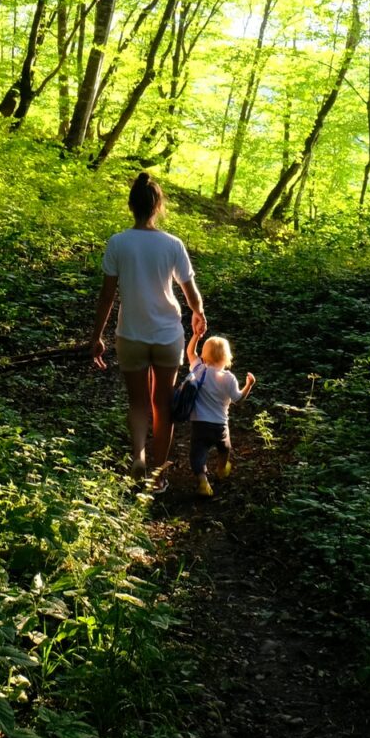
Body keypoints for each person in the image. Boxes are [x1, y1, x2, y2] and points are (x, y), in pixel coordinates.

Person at [90, 172, 205, 491]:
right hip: (168, 335)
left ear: (132, 206)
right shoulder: (172, 244)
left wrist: (97, 337)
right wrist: (199, 314)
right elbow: (191, 292)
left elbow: (107, 296)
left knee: (138, 403)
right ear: (157, 206)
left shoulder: (118, 242)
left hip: (131, 335)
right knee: (163, 404)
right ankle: (158, 475)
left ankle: (138, 460)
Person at [183, 324, 254, 497]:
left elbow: (190, 353)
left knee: (197, 453)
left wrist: (195, 337)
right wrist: (248, 385)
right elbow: (238, 399)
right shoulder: (229, 378)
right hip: (220, 425)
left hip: (200, 423)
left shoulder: (199, 370)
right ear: (227, 357)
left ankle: (203, 482)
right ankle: (222, 468)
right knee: (224, 448)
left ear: (204, 355)